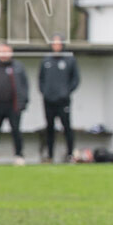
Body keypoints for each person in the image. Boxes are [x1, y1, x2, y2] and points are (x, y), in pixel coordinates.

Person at [0, 43, 29, 166]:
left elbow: (24, 86)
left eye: (6, 51)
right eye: (1, 51)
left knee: (16, 131)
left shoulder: (17, 67)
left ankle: (19, 156)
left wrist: (23, 102)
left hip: (13, 106)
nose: (3, 54)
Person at [39, 35, 80, 163]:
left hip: (63, 101)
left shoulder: (70, 60)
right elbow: (41, 79)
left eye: (58, 43)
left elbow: (76, 79)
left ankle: (70, 154)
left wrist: (66, 92)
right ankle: (50, 155)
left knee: (66, 127)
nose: (56, 46)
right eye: (54, 43)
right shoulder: (46, 61)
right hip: (48, 101)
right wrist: (45, 92)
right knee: (50, 128)